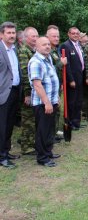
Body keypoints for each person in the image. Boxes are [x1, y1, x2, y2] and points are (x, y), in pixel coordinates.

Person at [28, 37, 60, 167]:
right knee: (43, 131)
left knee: (50, 129)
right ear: (36, 47)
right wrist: (47, 102)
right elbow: (37, 85)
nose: (47, 46)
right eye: (44, 44)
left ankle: (48, 151)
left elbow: (52, 79)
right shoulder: (36, 62)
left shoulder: (48, 59)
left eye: (48, 44)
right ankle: (42, 157)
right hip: (43, 104)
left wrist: (55, 97)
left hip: (51, 101)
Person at [0, 22, 21, 168]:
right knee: (2, 126)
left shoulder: (14, 49)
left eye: (13, 33)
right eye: (9, 33)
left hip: (14, 91)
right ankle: (2, 157)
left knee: (9, 124)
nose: (12, 35)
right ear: (1, 34)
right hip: (3, 93)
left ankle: (6, 151)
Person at [19, 27, 39, 155]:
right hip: (28, 91)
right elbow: (25, 74)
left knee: (33, 118)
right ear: (26, 38)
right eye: (33, 36)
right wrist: (27, 93)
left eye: (37, 36)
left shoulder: (33, 50)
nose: (36, 38)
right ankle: (26, 147)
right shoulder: (23, 51)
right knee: (28, 120)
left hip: (34, 90)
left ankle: (30, 142)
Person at [60, 27, 85, 130]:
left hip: (80, 77)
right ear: (69, 34)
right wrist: (71, 80)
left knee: (79, 101)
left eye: (77, 33)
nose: (75, 35)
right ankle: (69, 122)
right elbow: (67, 65)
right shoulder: (66, 45)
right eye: (73, 33)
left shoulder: (79, 45)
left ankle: (76, 121)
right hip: (73, 79)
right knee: (71, 102)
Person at [46, 25, 67, 141]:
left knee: (57, 109)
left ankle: (53, 133)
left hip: (57, 85)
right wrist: (61, 63)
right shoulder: (46, 51)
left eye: (57, 36)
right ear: (47, 36)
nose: (56, 38)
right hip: (49, 88)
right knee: (52, 111)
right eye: (53, 36)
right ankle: (50, 135)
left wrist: (62, 83)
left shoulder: (56, 50)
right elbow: (48, 70)